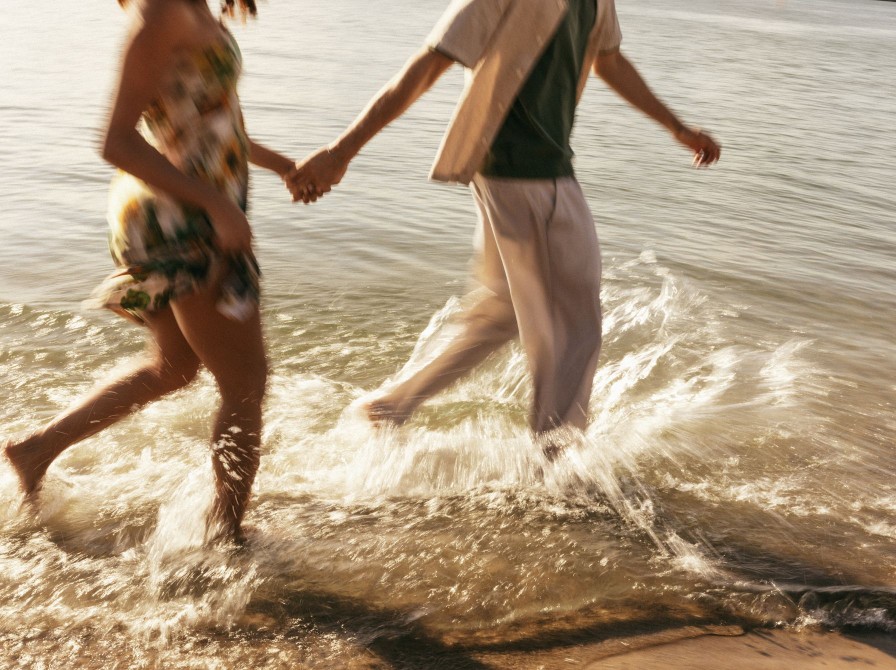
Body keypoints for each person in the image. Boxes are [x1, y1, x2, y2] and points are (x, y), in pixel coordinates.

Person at [287, 0, 720, 455]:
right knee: (576, 320)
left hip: (532, 170)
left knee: (505, 311)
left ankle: (390, 408)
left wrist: (676, 127)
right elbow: (429, 62)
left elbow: (607, 58)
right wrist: (341, 151)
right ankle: (555, 459)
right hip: (522, 171)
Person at [4, 0, 294, 541]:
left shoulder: (194, 11)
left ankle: (37, 449)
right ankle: (225, 537)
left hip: (189, 210)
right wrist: (215, 205)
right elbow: (116, 140)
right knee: (247, 382)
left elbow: (214, 117)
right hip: (177, 219)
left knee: (174, 367)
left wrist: (282, 165)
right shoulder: (162, 15)